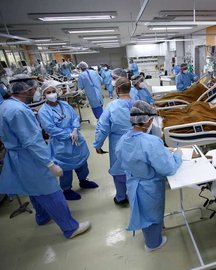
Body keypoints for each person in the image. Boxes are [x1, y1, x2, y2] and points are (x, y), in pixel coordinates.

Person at [0, 74, 90, 238]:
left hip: (20, 158)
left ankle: (42, 216)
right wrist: (49, 164)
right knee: (50, 191)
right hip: (31, 158)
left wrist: (74, 129)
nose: (35, 91)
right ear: (28, 89)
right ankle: (70, 228)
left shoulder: (6, 106)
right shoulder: (19, 110)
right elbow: (32, 141)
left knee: (33, 190)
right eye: (35, 88)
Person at [114, 100, 182, 252]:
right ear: (147, 121)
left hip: (133, 183)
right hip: (149, 186)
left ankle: (154, 236)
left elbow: (124, 158)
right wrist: (177, 156)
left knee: (144, 213)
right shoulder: (151, 142)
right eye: (152, 120)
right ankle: (153, 244)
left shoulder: (123, 139)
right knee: (151, 215)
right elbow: (167, 168)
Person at [38, 80, 99, 201]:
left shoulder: (64, 105)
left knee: (81, 161)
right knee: (64, 166)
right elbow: (50, 129)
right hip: (60, 143)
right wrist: (68, 135)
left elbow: (74, 117)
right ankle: (66, 189)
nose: (52, 94)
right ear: (44, 95)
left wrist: (75, 129)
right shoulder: (43, 111)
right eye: (48, 92)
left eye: (53, 91)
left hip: (76, 139)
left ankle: (83, 181)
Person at [93, 77, 135, 205]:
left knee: (119, 168)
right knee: (136, 169)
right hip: (138, 142)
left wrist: (98, 145)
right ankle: (135, 196)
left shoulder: (111, 107)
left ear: (117, 89)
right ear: (130, 88)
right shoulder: (139, 104)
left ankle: (121, 197)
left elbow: (102, 128)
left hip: (118, 143)